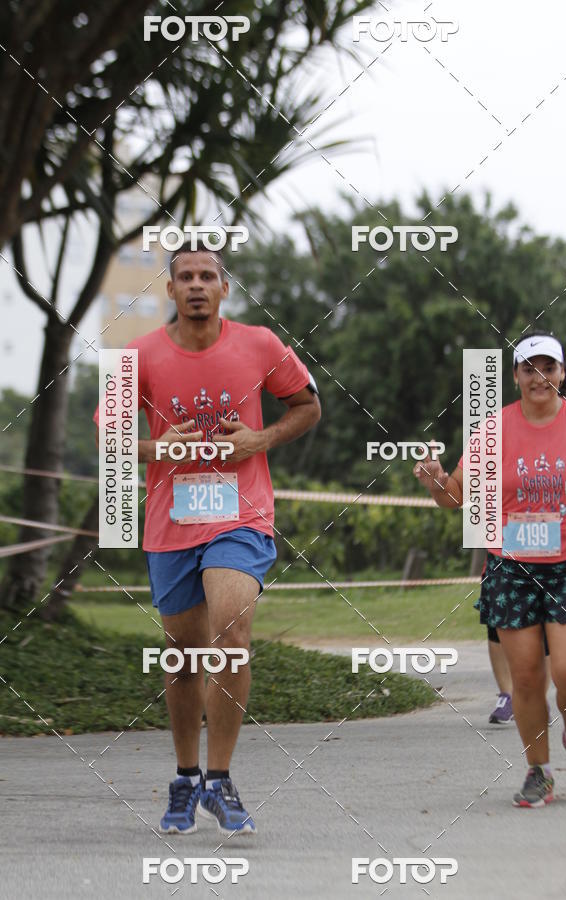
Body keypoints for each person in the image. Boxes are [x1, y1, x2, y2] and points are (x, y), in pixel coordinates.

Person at [95, 241, 321, 835]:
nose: (197, 284)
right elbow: (108, 435)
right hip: (171, 522)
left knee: (231, 629)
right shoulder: (138, 354)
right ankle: (186, 776)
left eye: (208, 275)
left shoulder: (260, 344)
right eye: (185, 276)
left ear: (225, 287)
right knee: (184, 659)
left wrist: (259, 440)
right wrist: (155, 449)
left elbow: (307, 406)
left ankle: (219, 780)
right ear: (169, 290)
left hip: (240, 517)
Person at [414, 332, 566, 807]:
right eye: (528, 368)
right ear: (515, 376)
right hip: (511, 568)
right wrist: (436, 482)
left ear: (561, 374)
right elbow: (455, 497)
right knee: (526, 679)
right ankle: (538, 770)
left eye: (548, 368)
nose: (539, 377)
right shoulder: (492, 431)